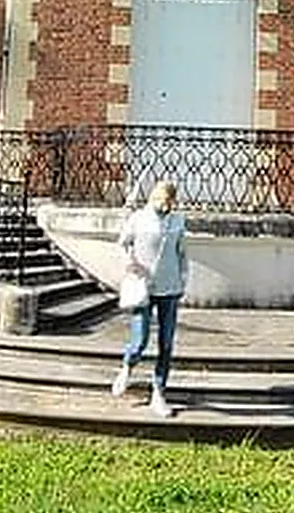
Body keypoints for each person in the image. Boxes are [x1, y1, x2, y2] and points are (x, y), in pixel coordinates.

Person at [110, 179, 187, 418]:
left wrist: (183, 280)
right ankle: (127, 366)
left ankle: (159, 391)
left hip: (170, 287)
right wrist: (131, 264)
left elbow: (181, 253)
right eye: (163, 200)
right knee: (140, 337)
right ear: (154, 197)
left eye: (169, 201)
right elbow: (123, 244)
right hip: (144, 287)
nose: (166, 205)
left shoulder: (177, 220)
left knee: (166, 342)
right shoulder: (139, 218)